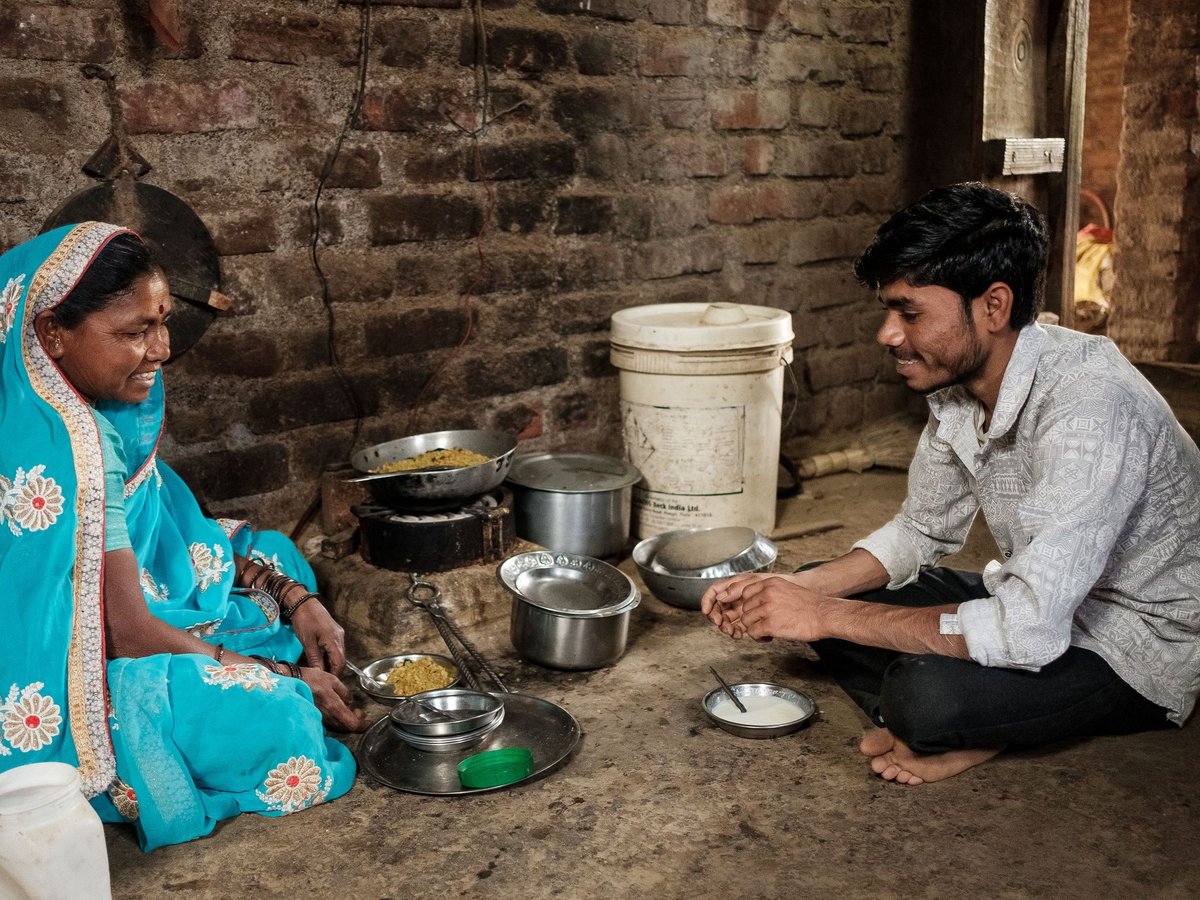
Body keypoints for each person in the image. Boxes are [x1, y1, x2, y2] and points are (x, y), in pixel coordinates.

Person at [702, 182, 1200, 785]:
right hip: (1043, 600)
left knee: (923, 695)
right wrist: (792, 590)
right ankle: (970, 724)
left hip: (1136, 638)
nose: (888, 334)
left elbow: (1029, 625)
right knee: (839, 599)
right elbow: (922, 529)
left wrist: (822, 615)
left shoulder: (1091, 407)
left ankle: (962, 729)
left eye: (910, 313)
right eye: (889, 311)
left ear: (993, 305)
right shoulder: (961, 389)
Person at [0, 222, 366, 851]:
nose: (162, 348)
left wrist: (295, 597)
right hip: (66, 666)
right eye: (134, 332)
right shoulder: (68, 452)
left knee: (278, 557)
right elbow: (126, 632)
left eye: (162, 321)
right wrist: (280, 675)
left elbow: (161, 528)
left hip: (125, 606)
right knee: (276, 721)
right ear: (51, 334)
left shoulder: (94, 413)